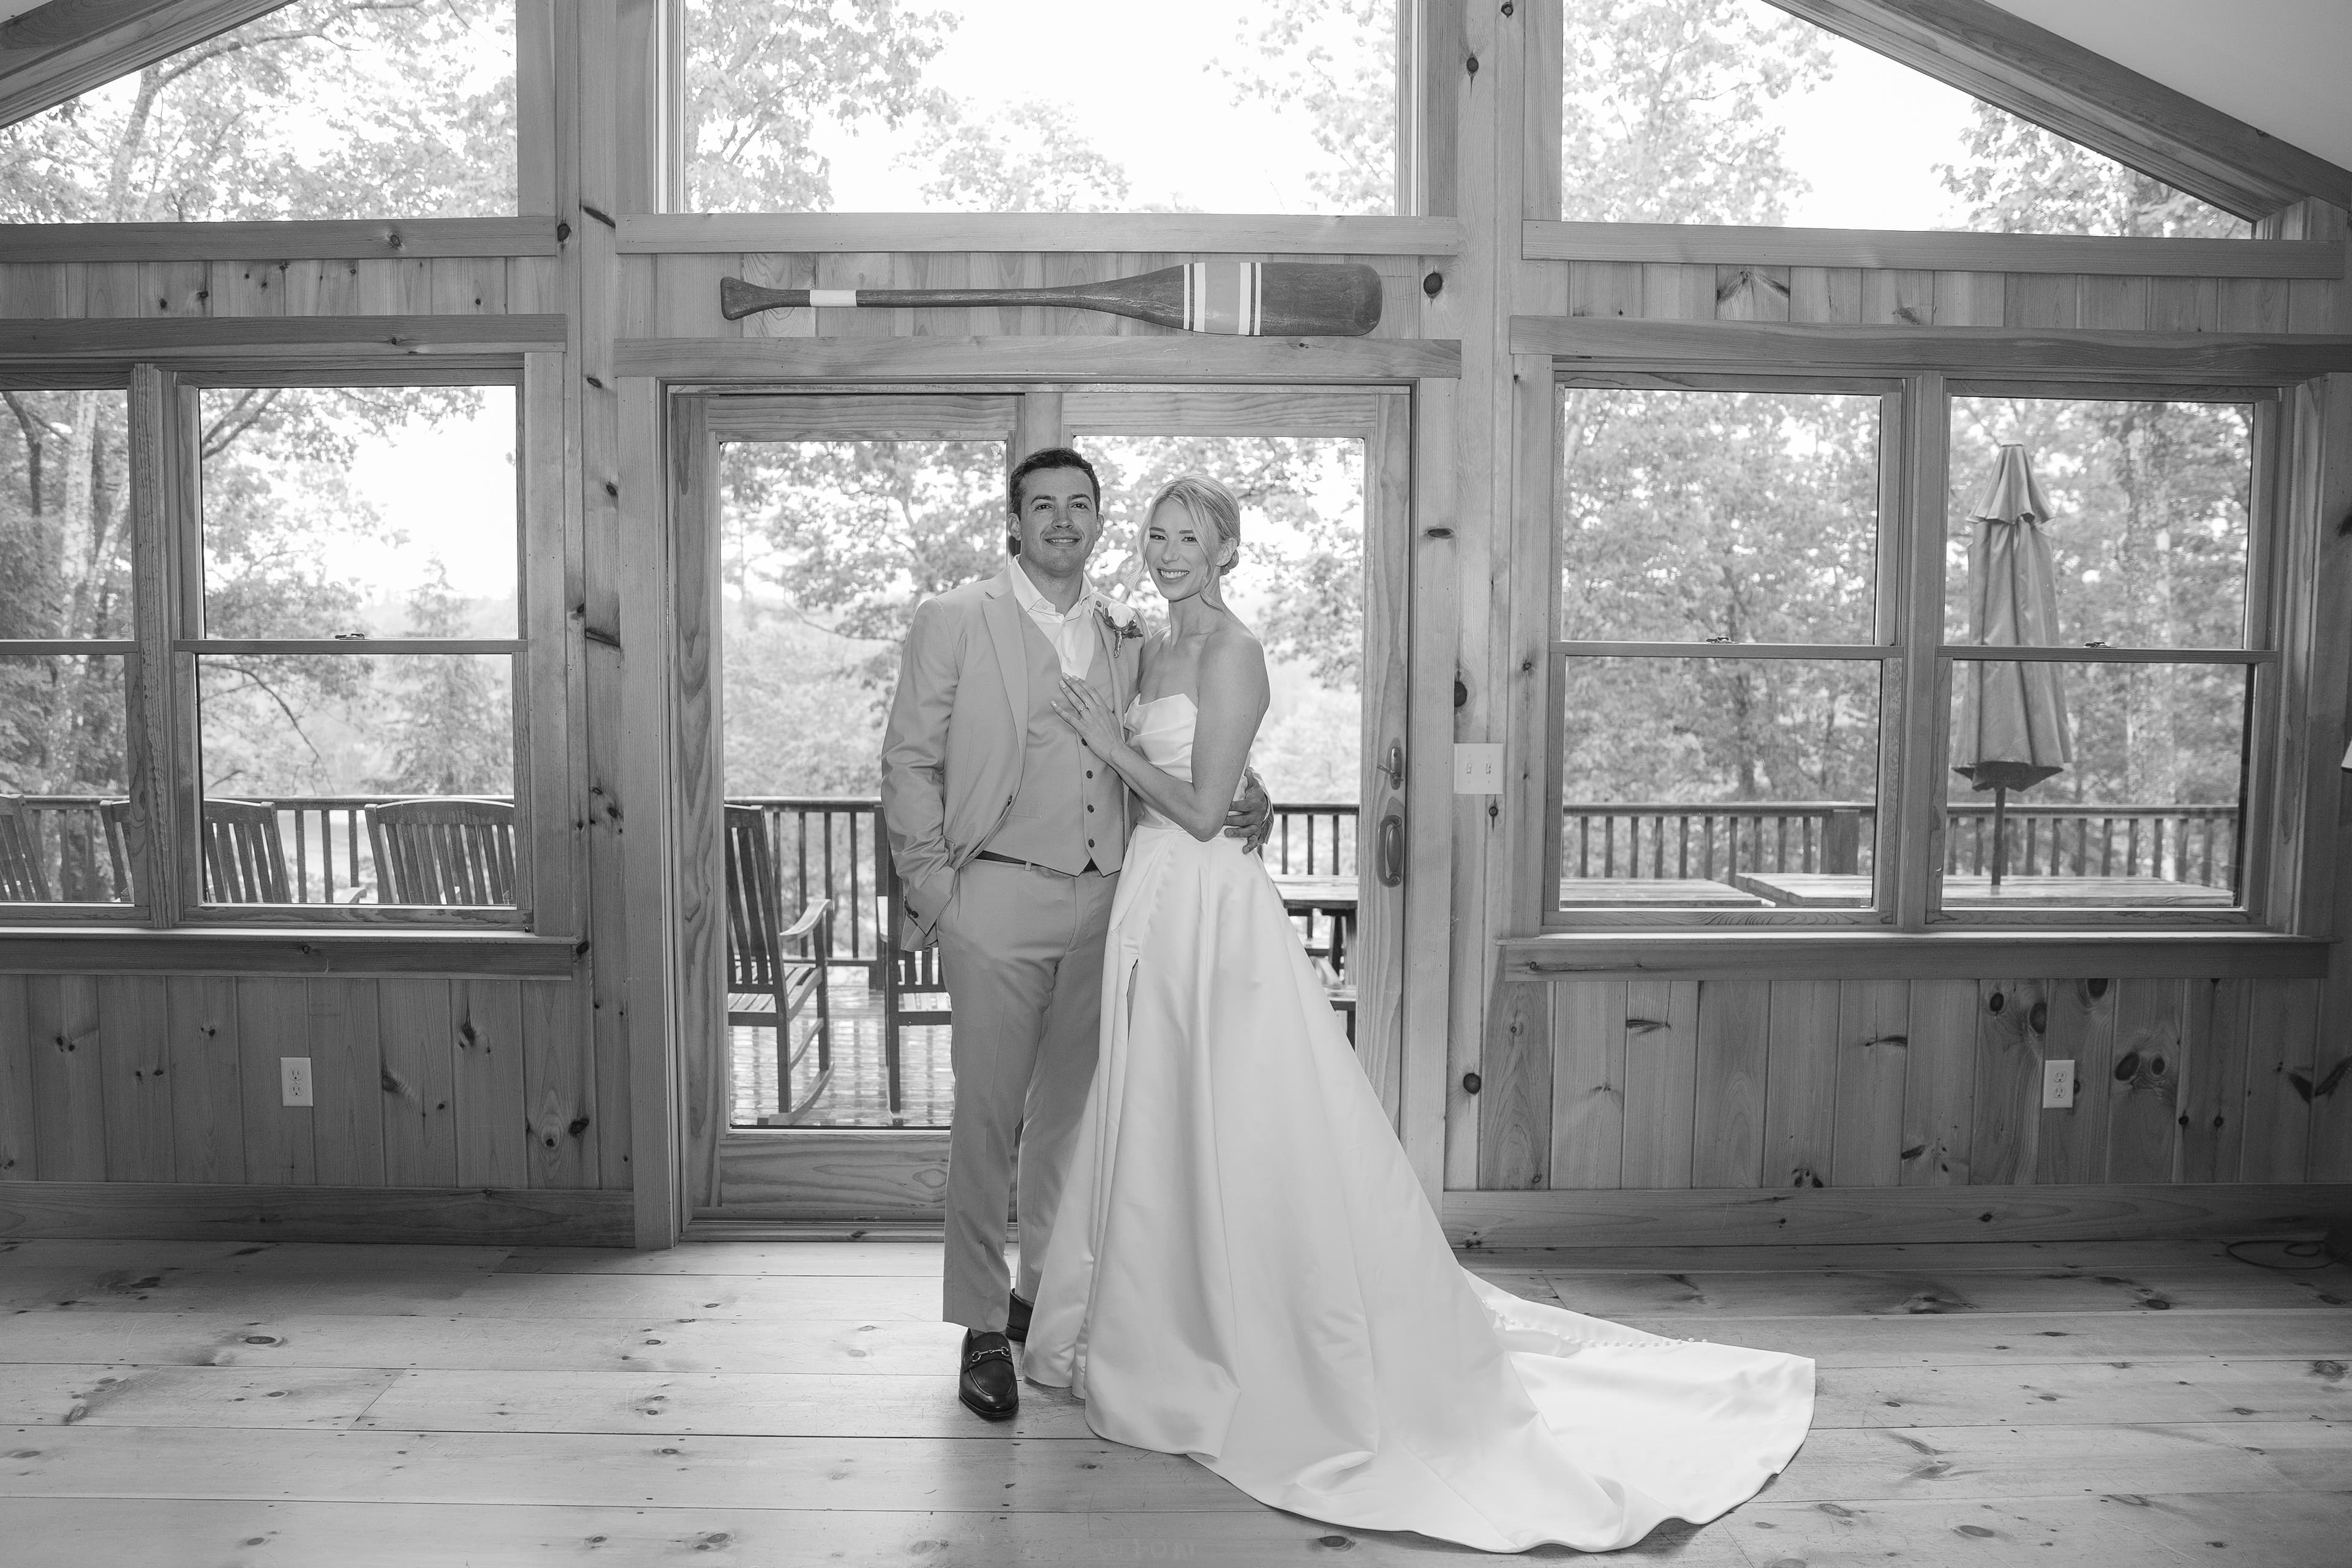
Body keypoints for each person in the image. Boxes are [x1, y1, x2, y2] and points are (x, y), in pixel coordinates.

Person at [1022, 473, 1815, 1553]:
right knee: (1153, 1115)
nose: (1167, 552)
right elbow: (1199, 794)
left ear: (1227, 551)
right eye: (1157, 534)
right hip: (1148, 905)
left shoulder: (1233, 652)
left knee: (1234, 1118)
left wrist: (1117, 750)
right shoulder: (1149, 650)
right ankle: (1150, 1328)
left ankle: (1238, 1340)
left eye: (1190, 537)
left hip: (1209, 908)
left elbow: (1210, 811)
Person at [878, 447, 1270, 1424]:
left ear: (1099, 524)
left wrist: (1251, 794)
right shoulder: (954, 619)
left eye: (1081, 506)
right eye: (1042, 506)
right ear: (1014, 523)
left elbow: (1175, 751)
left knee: (1071, 1125)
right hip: (996, 904)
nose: (1063, 521)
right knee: (988, 1120)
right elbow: (909, 763)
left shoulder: (1125, 631)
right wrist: (941, 895)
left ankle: (1041, 1303)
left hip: (1112, 910)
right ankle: (978, 1326)